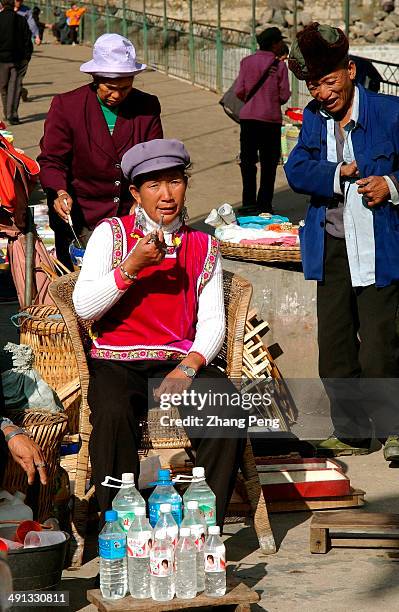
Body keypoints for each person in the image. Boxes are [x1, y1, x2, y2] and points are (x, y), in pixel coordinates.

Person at [72, 138, 246, 525]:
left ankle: (203, 526)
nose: (166, 195)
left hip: (176, 361)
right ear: (135, 193)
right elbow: (84, 308)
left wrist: (189, 367)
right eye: (154, 185)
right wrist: (130, 267)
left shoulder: (202, 245)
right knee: (113, 412)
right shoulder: (111, 235)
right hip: (117, 360)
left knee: (225, 406)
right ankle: (120, 525)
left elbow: (213, 320)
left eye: (175, 182)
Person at [285, 22, 399, 460]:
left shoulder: (389, 113)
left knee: (379, 348)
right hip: (331, 247)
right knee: (333, 351)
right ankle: (351, 432)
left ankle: (392, 431)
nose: (323, 93)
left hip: (379, 248)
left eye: (329, 82)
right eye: (314, 85)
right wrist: (338, 174)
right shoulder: (314, 119)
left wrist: (389, 184)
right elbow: (297, 170)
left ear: (350, 70)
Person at [38, 33, 163, 269]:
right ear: (95, 78)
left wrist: (142, 198)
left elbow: (152, 160)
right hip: (82, 214)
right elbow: (52, 160)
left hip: (128, 212)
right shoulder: (67, 106)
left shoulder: (147, 106)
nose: (116, 95)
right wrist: (60, 192)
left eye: (125, 88)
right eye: (109, 87)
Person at [234, 27, 290, 215]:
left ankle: (248, 202)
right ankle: (264, 204)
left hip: (248, 119)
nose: (282, 44)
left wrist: (253, 103)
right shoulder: (280, 66)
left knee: (248, 162)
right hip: (271, 120)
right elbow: (284, 95)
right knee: (269, 164)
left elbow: (239, 91)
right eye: (280, 41)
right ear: (274, 44)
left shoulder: (246, 62)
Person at [0, 0, 32, 124]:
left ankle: (6, 112)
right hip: (18, 59)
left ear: (2, 5)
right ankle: (13, 114)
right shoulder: (21, 20)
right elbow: (27, 40)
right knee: (15, 86)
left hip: (1, 60)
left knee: (3, 87)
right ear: (14, 5)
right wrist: (27, 56)